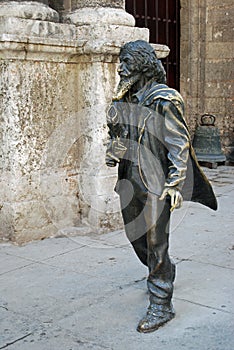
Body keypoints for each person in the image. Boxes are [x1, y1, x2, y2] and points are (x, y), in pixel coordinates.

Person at [105, 40, 217, 333]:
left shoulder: (164, 100)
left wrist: (175, 182)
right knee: (136, 238)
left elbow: (179, 143)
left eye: (126, 61)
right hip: (129, 181)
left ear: (142, 63)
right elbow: (120, 137)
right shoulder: (126, 99)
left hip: (156, 183)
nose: (121, 67)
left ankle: (161, 303)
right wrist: (114, 142)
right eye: (121, 61)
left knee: (156, 243)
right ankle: (163, 269)